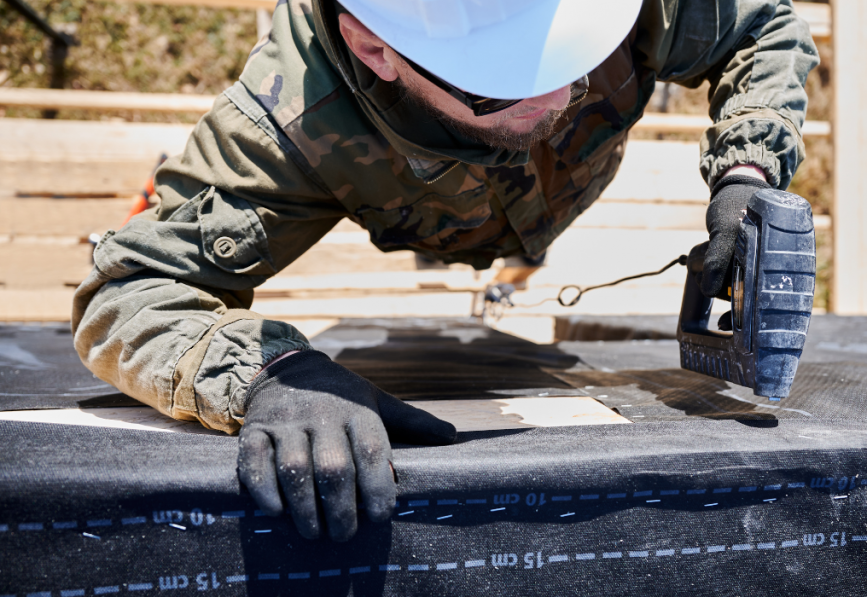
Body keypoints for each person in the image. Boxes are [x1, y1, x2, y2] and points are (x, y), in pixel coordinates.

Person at [72, 0, 818, 542]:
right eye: (503, 85)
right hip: (421, 214)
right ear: (373, 48)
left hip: (564, 195)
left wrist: (747, 170)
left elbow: (761, 24)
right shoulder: (291, 115)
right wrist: (269, 371)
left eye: (571, 55)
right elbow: (127, 289)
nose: (558, 98)